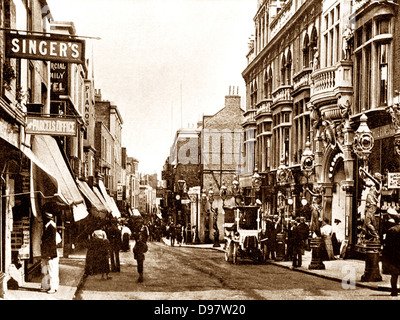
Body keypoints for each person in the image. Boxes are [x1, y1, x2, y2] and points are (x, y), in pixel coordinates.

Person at [41, 209, 59, 294]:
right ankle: (49, 286)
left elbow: (52, 242)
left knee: (52, 271)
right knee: (50, 270)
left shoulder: (51, 227)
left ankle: (53, 287)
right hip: (49, 253)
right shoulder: (49, 226)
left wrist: (50, 254)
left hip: (51, 253)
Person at [382, 214, 400, 296]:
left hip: (394, 255)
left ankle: (394, 291)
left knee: (394, 275)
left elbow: (388, 245)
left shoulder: (391, 230)